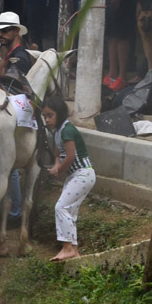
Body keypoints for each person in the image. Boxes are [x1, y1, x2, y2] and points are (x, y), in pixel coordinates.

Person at [0, 10, 32, 227]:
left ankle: (14, 212)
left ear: (16, 31)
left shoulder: (19, 56)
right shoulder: (6, 52)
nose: (0, 35)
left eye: (5, 31)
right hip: (10, 108)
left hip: (17, 110)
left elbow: (9, 82)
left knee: (10, 166)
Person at [42, 96, 96, 262]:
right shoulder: (58, 131)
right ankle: (74, 250)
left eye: (50, 115)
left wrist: (59, 170)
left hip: (83, 174)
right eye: (44, 116)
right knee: (70, 211)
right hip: (76, 175)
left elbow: (71, 156)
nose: (47, 119)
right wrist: (57, 164)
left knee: (61, 207)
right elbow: (59, 152)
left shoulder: (67, 130)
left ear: (60, 114)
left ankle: (67, 248)